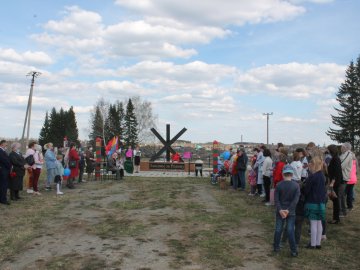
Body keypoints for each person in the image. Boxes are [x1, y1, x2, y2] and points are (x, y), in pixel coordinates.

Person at [273, 165, 300, 257]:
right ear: (292, 174)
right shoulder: (296, 186)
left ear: (282, 174)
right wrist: (288, 210)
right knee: (290, 230)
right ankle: (293, 250)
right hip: (291, 212)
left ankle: (276, 247)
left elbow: (276, 199)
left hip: (280, 211)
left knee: (278, 229)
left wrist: (280, 210)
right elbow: (295, 201)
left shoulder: (279, 185)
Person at [304, 156, 327, 249]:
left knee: (313, 223)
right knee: (319, 223)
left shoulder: (312, 177)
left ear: (313, 165)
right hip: (321, 202)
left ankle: (313, 244)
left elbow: (306, 190)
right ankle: (318, 243)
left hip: (312, 202)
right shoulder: (322, 176)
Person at [327, 144, 343, 224]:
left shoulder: (335, 159)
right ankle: (336, 218)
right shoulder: (335, 158)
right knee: (335, 200)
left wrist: (332, 182)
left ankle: (336, 218)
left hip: (335, 182)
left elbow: (336, 172)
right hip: (335, 181)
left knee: (335, 200)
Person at [339, 143, 353, 217]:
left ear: (346, 148)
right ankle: (342, 211)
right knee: (341, 195)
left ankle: (341, 212)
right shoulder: (345, 154)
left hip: (343, 177)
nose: (341, 148)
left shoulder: (348, 155)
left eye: (342, 147)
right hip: (343, 176)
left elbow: (341, 165)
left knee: (340, 195)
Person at [0, 140, 11, 205]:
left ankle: (2, 198)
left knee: (3, 185)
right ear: (2, 144)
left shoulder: (3, 151)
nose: (6, 146)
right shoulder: (0, 151)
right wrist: (10, 165)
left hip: (4, 170)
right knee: (3, 185)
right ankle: (3, 199)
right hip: (3, 171)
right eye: (5, 145)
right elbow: (4, 160)